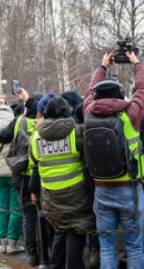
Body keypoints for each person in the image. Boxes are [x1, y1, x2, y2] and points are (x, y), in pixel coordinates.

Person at [84, 51, 144, 269]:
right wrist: (137, 63)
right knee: (133, 246)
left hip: (101, 189)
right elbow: (143, 90)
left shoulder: (88, 113)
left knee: (107, 246)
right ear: (120, 95)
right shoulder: (131, 113)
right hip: (129, 188)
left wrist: (102, 66)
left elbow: (88, 91)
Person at [30, 97, 95, 269]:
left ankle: (55, 265)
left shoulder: (36, 137)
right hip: (77, 194)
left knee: (60, 229)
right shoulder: (77, 131)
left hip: (50, 195)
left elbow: (35, 165)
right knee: (75, 231)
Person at [0, 88, 41, 266]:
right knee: (45, 216)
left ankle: (32, 255)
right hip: (42, 176)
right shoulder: (44, 123)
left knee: (28, 217)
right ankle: (47, 252)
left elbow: (2, 137)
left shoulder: (17, 122)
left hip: (22, 176)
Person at [0, 105, 25, 254]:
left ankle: (1, 243)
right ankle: (12, 242)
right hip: (14, 173)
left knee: (2, 208)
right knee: (16, 208)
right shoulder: (16, 130)